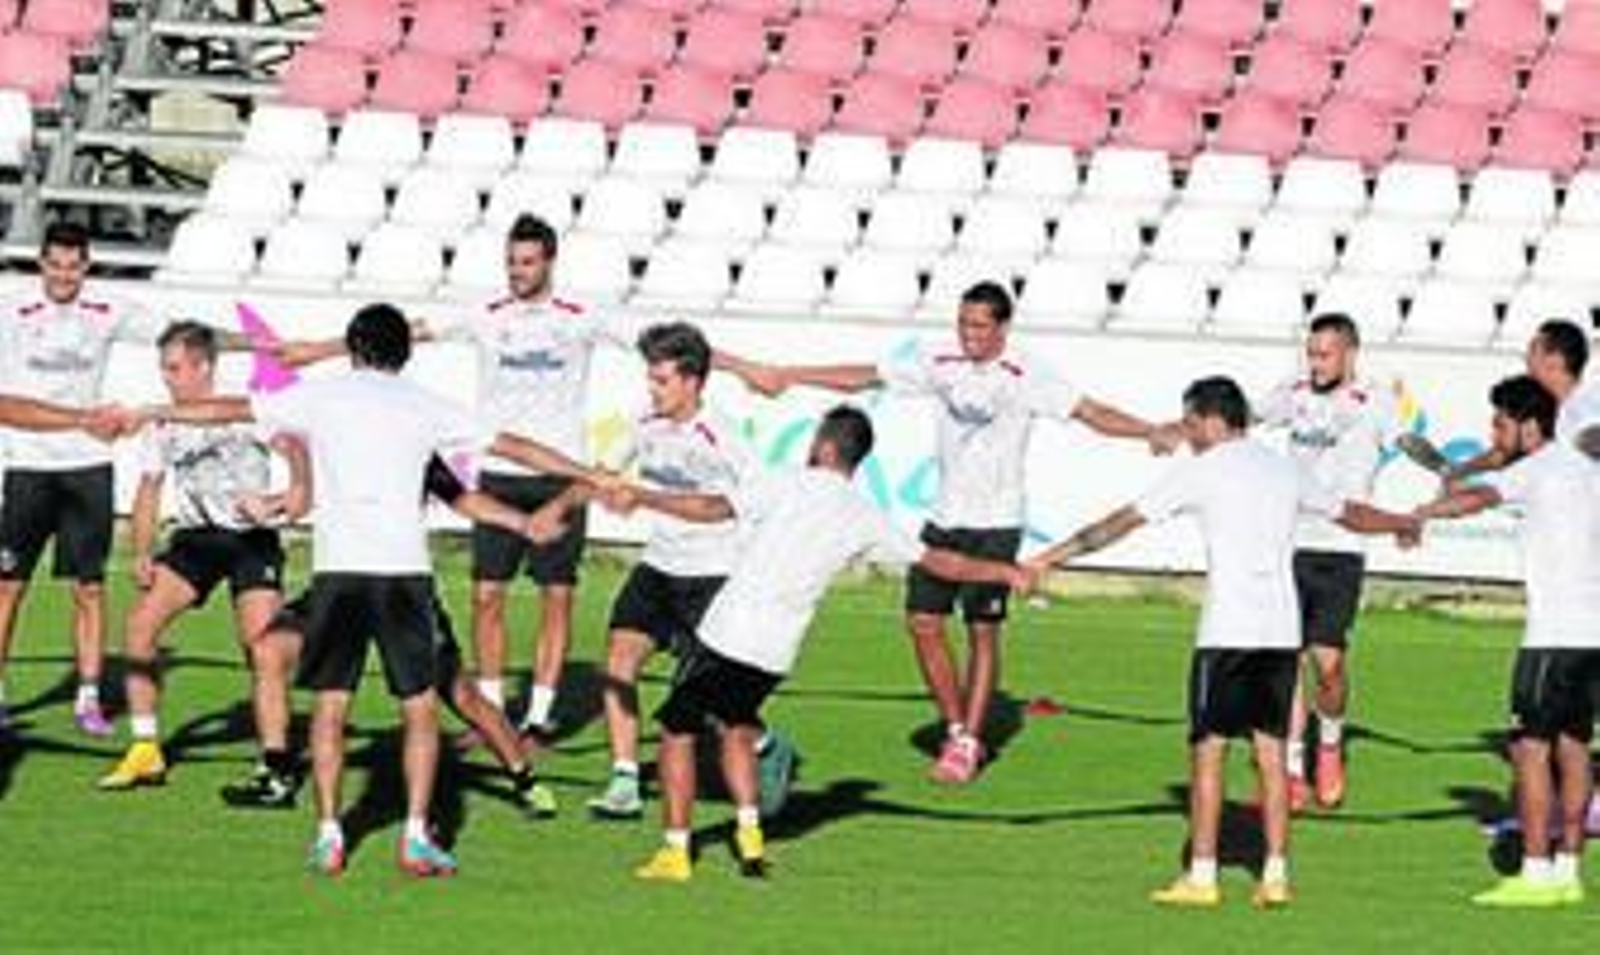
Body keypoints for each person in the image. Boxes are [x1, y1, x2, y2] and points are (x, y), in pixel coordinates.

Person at [147, 303, 605, 877]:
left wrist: (146, 410)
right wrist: (588, 476)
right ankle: (415, 835)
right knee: (420, 712)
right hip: (402, 580)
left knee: (334, 707)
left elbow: (229, 407)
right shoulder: (425, 407)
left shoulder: (325, 397)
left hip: (340, 577)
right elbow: (512, 445)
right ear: (405, 353)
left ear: (354, 347)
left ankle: (329, 834)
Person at [729, 281, 1177, 783]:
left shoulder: (1028, 372)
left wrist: (1148, 431)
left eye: (981, 325)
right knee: (922, 622)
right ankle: (957, 724)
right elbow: (867, 377)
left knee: (982, 630)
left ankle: (965, 743)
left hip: (997, 521)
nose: (969, 335)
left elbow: (1092, 413)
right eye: (964, 323)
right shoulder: (939, 359)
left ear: (1003, 327)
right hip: (944, 516)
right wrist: (793, 375)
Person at [1025, 377, 1418, 909]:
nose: (1187, 434)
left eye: (1190, 424)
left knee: (1208, 755)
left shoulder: (1201, 470)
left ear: (1212, 421)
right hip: (1280, 634)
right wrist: (1400, 522)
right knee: (1272, 757)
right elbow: (1351, 512)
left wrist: (1049, 558)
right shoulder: (1284, 469)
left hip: (1226, 633)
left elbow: (1119, 524)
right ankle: (1275, 874)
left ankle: (1203, 876)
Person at [613, 405, 1035, 882]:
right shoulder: (864, 514)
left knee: (677, 731)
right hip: (776, 652)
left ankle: (675, 851)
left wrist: (644, 496)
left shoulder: (787, 481)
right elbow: (940, 563)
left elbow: (712, 509)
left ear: (824, 446)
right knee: (735, 727)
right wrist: (1004, 570)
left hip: (729, 634)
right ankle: (749, 838)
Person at [526, 321, 797, 821]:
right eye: (650, 379)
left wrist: (649, 498)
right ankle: (625, 780)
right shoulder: (644, 424)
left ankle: (766, 745)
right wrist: (560, 507)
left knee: (709, 702)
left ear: (693, 382)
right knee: (618, 663)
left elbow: (748, 504)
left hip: (713, 576)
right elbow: (602, 475)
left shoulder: (724, 437)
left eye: (662, 381)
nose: (652, 390)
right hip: (658, 568)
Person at [0, 223, 257, 735]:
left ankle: (90, 697)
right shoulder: (12, 310)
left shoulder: (107, 309)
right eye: (55, 264)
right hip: (29, 465)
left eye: (74, 266)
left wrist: (262, 346)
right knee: (7, 586)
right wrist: (78, 418)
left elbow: (184, 334)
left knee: (89, 588)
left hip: (88, 466)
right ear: (42, 264)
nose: (64, 275)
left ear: (86, 266)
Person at [225, 453, 561, 819]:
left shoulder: (411, 443)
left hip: (402, 591)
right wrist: (270, 505)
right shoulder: (333, 438)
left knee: (461, 695)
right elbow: (303, 496)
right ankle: (276, 774)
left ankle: (524, 778)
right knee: (268, 649)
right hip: (340, 585)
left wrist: (522, 522)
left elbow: (461, 498)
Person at [97, 322, 308, 791]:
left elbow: (295, 448)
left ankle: (274, 759)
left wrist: (285, 495)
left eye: (175, 368)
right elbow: (149, 488)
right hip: (195, 540)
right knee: (139, 626)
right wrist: (142, 549)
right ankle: (146, 749)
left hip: (251, 540)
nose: (167, 377)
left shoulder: (244, 405)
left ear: (204, 367)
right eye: (164, 368)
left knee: (261, 648)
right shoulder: (164, 420)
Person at [1412, 376, 1595, 908]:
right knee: (1576, 746)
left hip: (1552, 638)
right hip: (1592, 635)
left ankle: (1536, 875)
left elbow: (1478, 499)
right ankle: (1568, 871)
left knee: (1528, 749)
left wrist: (1422, 513)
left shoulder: (1535, 469)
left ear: (1528, 424)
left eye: (1500, 422)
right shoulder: (1585, 470)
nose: (1494, 434)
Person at [1253, 313, 1404, 811]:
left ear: (1350, 354)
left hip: (1342, 546)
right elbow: (1243, 417)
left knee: (1329, 664)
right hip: (1290, 540)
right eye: (1311, 353)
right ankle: (1293, 768)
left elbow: (1408, 442)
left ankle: (1331, 744)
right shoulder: (1293, 391)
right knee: (1286, 656)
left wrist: (1451, 474)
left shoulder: (1376, 400)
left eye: (1325, 354)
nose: (1315, 364)